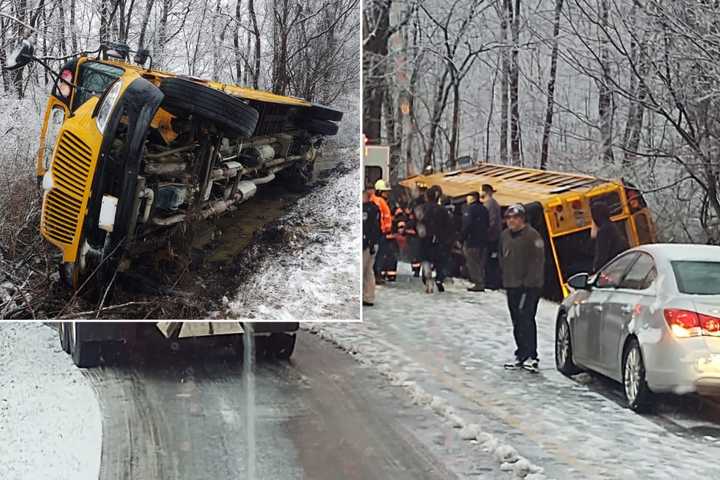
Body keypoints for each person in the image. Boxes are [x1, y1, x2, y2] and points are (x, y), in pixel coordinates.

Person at [499, 204, 545, 373]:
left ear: (522, 219)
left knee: (526, 317)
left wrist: (530, 282)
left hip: (529, 286)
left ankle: (531, 354)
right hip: (511, 284)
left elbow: (538, 261)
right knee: (516, 320)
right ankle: (521, 353)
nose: (511, 221)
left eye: (515, 218)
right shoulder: (505, 236)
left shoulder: (532, 236)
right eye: (509, 218)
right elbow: (502, 257)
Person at [417, 186, 454, 293]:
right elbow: (449, 226)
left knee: (425, 259)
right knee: (439, 261)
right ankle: (439, 278)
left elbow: (417, 222)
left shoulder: (422, 209)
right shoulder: (443, 210)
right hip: (439, 240)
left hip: (425, 239)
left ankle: (427, 277)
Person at [461, 192, 490, 292]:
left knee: (472, 262)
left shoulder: (470, 209)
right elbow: (487, 223)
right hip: (483, 240)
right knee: (480, 262)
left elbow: (467, 225)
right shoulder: (484, 209)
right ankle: (482, 280)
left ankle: (478, 283)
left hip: (472, 240)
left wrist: (462, 237)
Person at [591, 200, 629, 272]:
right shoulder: (612, 226)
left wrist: (595, 270)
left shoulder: (604, 231)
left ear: (596, 216)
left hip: (616, 269)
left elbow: (602, 254)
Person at [363, 184, 382, 306]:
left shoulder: (369, 209)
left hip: (366, 244)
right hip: (371, 243)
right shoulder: (375, 207)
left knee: (364, 270)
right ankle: (368, 296)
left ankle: (366, 296)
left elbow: (372, 227)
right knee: (368, 271)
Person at [371, 179, 393, 284]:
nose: (387, 194)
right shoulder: (380, 201)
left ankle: (376, 274)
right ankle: (377, 274)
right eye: (385, 192)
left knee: (378, 255)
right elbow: (383, 218)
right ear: (379, 191)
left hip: (378, 232)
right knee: (380, 255)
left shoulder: (375, 200)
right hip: (381, 233)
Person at [481, 183, 502, 290]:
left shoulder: (489, 205)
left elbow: (491, 222)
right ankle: (491, 281)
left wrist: (485, 233)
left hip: (491, 238)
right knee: (492, 261)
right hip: (494, 237)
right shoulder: (495, 204)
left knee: (490, 261)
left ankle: (491, 282)